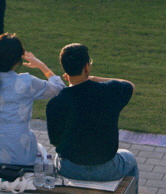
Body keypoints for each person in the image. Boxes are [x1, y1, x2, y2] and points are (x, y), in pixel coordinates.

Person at [46, 43, 139, 184]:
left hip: (70, 168)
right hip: (106, 169)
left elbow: (55, 141)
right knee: (130, 158)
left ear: (65, 70)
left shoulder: (55, 103)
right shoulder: (109, 91)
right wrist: (94, 78)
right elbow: (130, 85)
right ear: (86, 67)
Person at [0, 34, 63, 167]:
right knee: (42, 151)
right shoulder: (26, 82)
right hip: (23, 154)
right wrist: (41, 65)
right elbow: (60, 89)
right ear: (17, 61)